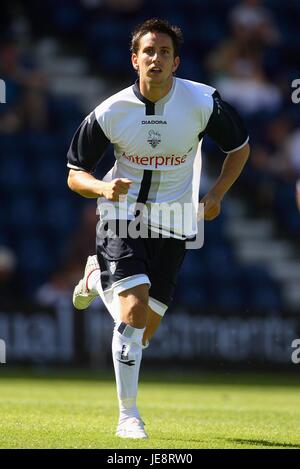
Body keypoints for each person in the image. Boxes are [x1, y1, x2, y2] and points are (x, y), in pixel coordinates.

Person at [67, 18, 250, 439]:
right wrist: (102, 186)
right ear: (135, 60)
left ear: (176, 61)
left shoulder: (202, 102)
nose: (156, 58)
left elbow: (239, 148)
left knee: (143, 332)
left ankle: (96, 277)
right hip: (122, 216)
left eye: (164, 52)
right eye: (148, 51)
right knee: (131, 311)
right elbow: (74, 174)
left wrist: (217, 194)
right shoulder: (111, 112)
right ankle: (128, 416)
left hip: (175, 221)